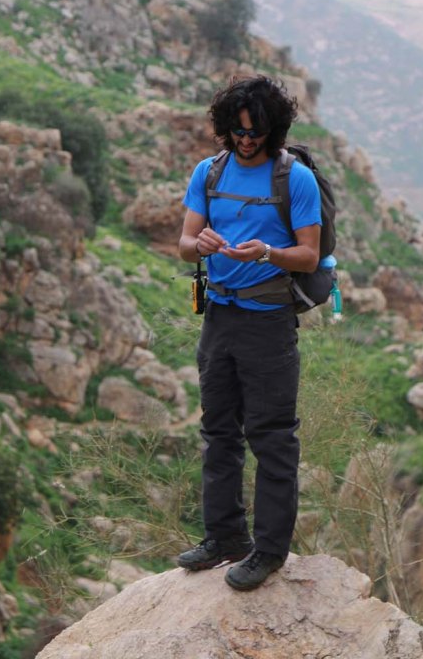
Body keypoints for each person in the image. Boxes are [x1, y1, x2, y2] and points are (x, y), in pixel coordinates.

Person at [176, 74, 322, 591]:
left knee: (272, 437)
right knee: (218, 431)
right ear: (225, 126)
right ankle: (224, 538)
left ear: (272, 128)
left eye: (255, 130)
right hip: (219, 316)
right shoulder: (208, 174)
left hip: (268, 323)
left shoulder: (294, 179)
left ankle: (269, 552)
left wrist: (266, 252)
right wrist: (204, 243)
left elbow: (308, 253)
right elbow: (184, 244)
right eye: (237, 129)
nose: (246, 139)